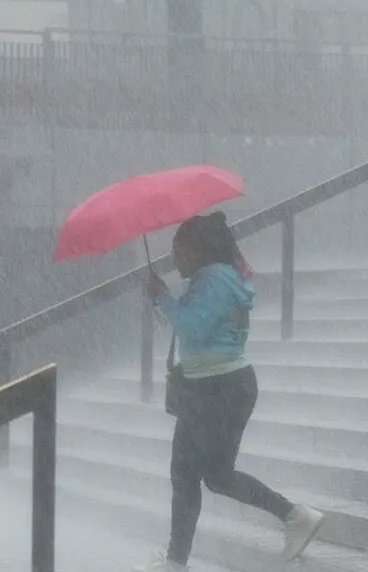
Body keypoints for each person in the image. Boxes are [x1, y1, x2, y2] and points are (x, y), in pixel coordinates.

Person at [137, 213, 325, 571]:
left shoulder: (216, 279)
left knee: (185, 474)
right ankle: (293, 515)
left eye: (179, 250)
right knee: (215, 476)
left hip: (216, 388)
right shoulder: (215, 277)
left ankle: (176, 562)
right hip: (217, 387)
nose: (174, 259)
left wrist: (163, 298)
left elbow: (195, 327)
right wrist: (162, 300)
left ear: (198, 250)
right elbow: (195, 326)